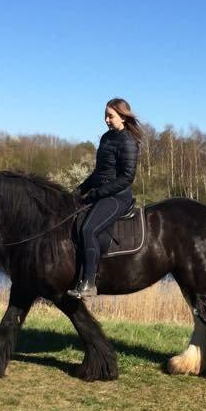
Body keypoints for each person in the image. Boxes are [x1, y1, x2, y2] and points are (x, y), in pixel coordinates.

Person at [66, 98, 141, 298]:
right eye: (105, 115)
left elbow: (126, 178)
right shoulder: (106, 138)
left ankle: (89, 282)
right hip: (100, 193)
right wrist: (79, 190)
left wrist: (98, 193)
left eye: (111, 116)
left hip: (117, 197)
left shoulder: (128, 141)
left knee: (88, 228)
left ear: (123, 117)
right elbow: (99, 173)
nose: (106, 120)